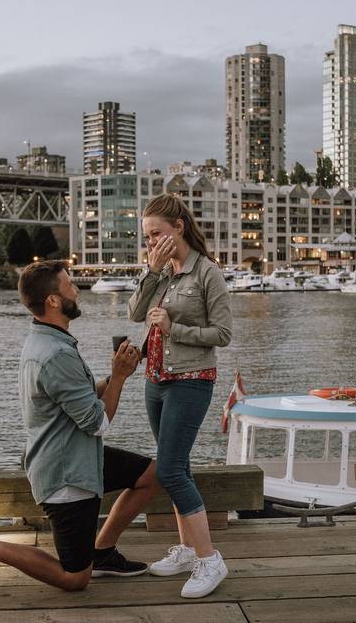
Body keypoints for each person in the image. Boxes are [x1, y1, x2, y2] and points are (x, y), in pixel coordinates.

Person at [0, 260, 160, 596]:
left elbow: (78, 398)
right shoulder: (56, 355)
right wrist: (119, 378)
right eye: (69, 284)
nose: (76, 289)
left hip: (77, 455)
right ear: (52, 300)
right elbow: (97, 422)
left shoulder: (47, 341)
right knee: (74, 578)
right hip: (67, 475)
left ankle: (102, 552)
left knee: (152, 475)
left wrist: (115, 375)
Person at [127, 194, 233, 599]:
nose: (151, 242)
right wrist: (150, 272)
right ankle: (188, 550)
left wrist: (174, 330)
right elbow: (136, 314)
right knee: (179, 466)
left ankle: (210, 559)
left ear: (179, 228)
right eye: (147, 236)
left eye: (157, 234)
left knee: (168, 470)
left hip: (192, 378)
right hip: (156, 379)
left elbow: (222, 335)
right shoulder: (159, 272)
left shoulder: (207, 273)